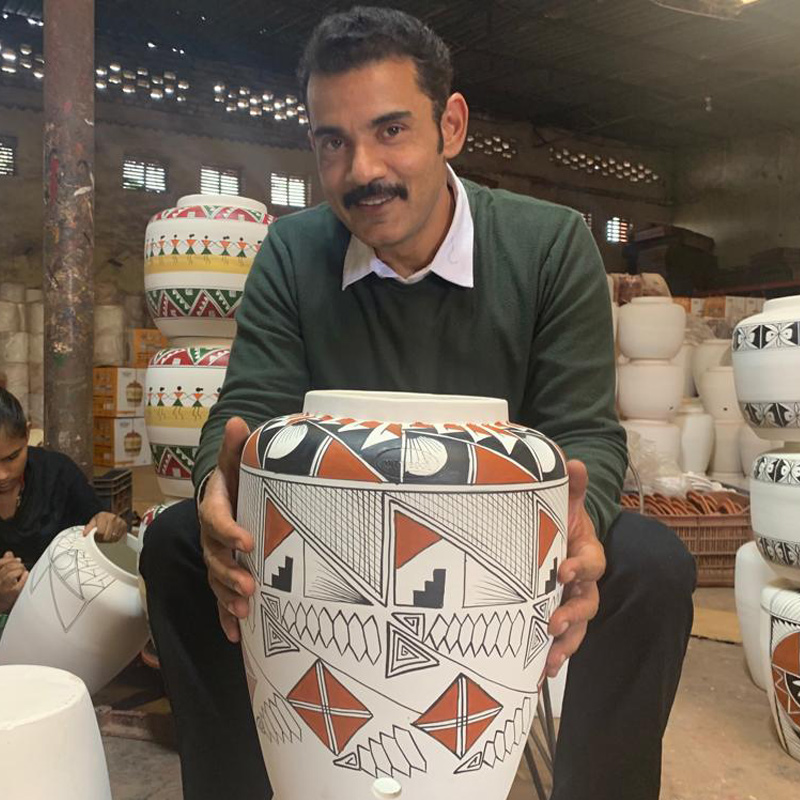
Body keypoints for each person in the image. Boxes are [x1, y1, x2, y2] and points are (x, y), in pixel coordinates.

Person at [140, 7, 697, 800]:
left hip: (503, 540)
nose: (362, 169)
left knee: (650, 566)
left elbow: (584, 432)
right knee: (176, 544)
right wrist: (214, 491)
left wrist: (582, 526)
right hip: (330, 530)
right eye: (333, 142)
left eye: (391, 130)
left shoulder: (547, 244)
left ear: (451, 126)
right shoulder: (294, 251)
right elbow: (247, 410)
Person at [0, 387, 128, 616]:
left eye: (12, 457)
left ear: (27, 434)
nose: (2, 475)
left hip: (67, 613)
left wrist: (110, 527)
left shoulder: (57, 474)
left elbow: (101, 530)